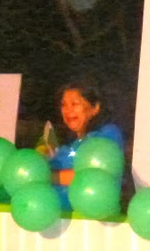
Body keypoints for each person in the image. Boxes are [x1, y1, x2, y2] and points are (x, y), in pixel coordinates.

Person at [47, 81, 125, 209]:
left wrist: (47, 176)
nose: (68, 110)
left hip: (90, 218)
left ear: (95, 108)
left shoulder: (107, 135)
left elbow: (92, 177)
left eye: (74, 104)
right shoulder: (66, 148)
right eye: (64, 105)